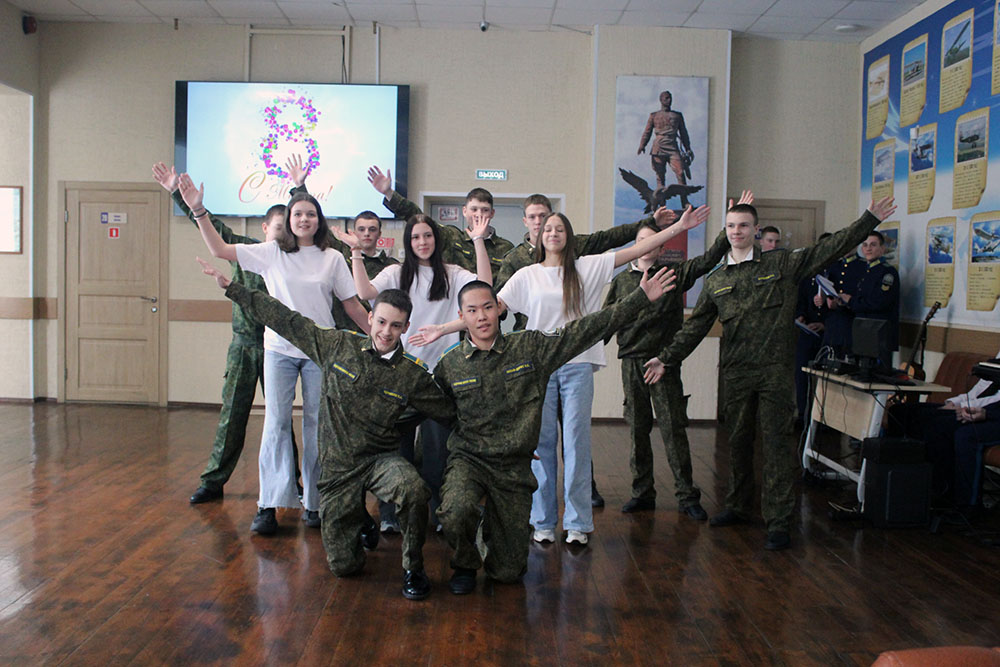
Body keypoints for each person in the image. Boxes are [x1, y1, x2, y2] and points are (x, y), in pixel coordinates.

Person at [646, 197, 897, 551]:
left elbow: (829, 248)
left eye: (743, 226)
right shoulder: (716, 280)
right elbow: (695, 328)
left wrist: (869, 219)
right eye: (731, 226)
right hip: (737, 373)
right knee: (738, 442)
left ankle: (778, 520)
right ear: (725, 231)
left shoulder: (783, 263)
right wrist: (666, 359)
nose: (736, 232)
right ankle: (737, 506)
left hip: (774, 372)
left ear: (756, 230)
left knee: (777, 444)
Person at [199, 260, 456, 600]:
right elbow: (286, 319)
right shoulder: (337, 347)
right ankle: (360, 520)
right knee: (344, 566)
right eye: (381, 322)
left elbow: (450, 413)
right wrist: (233, 289)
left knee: (413, 490)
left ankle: (413, 568)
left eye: (396, 326)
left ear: (406, 327)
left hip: (380, 461)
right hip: (338, 469)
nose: (386, 332)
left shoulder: (413, 375)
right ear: (370, 318)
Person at [435, 269, 678, 594]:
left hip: (513, 467)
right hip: (471, 460)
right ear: (461, 316)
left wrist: (639, 299)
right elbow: (435, 409)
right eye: (473, 310)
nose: (482, 317)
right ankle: (465, 563)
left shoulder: (530, 348)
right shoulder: (450, 365)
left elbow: (583, 330)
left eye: (488, 307)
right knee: (455, 509)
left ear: (499, 309)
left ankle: (494, 525)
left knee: (507, 573)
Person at [495, 205, 709, 546]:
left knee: (576, 444)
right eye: (547, 228)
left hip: (578, 365)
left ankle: (577, 523)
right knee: (542, 445)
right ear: (538, 236)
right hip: (539, 368)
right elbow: (489, 309)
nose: (552, 233)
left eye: (559, 229)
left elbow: (636, 250)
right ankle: (543, 521)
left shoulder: (587, 267)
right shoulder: (526, 275)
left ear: (569, 236)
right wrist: (444, 328)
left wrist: (678, 228)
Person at [179, 173, 370, 535]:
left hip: (319, 352)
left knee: (316, 426)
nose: (304, 219)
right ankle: (269, 504)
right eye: (297, 214)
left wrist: (379, 337)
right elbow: (220, 250)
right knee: (276, 425)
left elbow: (352, 306)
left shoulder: (333, 258)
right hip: (279, 350)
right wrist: (198, 210)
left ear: (319, 220)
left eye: (310, 214)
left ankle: (315, 503)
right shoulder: (271, 253)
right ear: (289, 220)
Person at [153, 162, 304, 505]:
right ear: (265, 228)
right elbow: (208, 225)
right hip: (245, 348)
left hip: (279, 349)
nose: (282, 234)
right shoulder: (245, 250)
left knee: (280, 420)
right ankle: (213, 481)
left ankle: (291, 481)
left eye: (288, 230)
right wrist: (177, 193)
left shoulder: (294, 260)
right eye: (278, 228)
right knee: (232, 415)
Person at [335, 211, 492, 534]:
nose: (422, 242)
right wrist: (355, 251)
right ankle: (391, 515)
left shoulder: (452, 273)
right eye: (416, 237)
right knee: (396, 450)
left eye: (428, 235)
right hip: (400, 375)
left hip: (439, 379)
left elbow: (485, 286)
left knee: (437, 453)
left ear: (437, 239)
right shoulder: (397, 272)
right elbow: (364, 293)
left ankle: (438, 513)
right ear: (409, 242)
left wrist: (478, 240)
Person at [604, 216, 735, 517]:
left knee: (673, 429)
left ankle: (687, 496)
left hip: (664, 363)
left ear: (661, 247)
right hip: (633, 363)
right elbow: (607, 320)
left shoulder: (673, 274)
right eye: (641, 241)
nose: (646, 246)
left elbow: (708, 260)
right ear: (635, 245)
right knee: (637, 430)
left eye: (653, 241)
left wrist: (726, 228)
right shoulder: (621, 281)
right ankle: (642, 493)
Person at [887, 352, 1000, 510]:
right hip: (979, 407)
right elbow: (981, 389)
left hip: (992, 413)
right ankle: (897, 484)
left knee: (942, 426)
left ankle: (949, 497)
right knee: (901, 412)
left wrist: (968, 407)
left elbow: (996, 400)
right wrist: (954, 402)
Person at [368, 166, 513, 275]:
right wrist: (389, 193)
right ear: (464, 211)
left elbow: (505, 287)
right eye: (474, 209)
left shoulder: (505, 248)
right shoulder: (450, 237)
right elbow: (416, 217)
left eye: (484, 210)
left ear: (492, 213)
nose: (478, 215)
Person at [839, 231, 900, 368]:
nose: (868, 249)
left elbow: (880, 303)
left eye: (873, 245)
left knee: (878, 375)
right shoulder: (866, 271)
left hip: (880, 335)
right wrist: (845, 302)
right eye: (865, 245)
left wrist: (851, 301)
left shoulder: (887, 272)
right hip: (863, 333)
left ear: (882, 249)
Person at [794, 232, 832, 423]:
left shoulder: (838, 271)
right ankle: (803, 415)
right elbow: (801, 299)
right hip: (808, 332)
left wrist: (825, 324)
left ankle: (825, 419)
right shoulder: (809, 271)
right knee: (801, 375)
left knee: (828, 379)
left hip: (828, 334)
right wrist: (801, 316)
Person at [637, 90, 692, 188]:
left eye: (670, 98)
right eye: (666, 98)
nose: (669, 100)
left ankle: (684, 197)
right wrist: (642, 145)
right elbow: (647, 132)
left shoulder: (677, 116)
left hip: (672, 146)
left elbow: (683, 133)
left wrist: (688, 148)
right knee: (660, 175)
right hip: (658, 147)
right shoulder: (654, 116)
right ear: (661, 100)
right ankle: (661, 197)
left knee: (680, 172)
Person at [821, 246, 866, 357]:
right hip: (833, 323)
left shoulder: (863, 266)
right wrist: (826, 300)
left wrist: (847, 302)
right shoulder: (834, 267)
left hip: (852, 322)